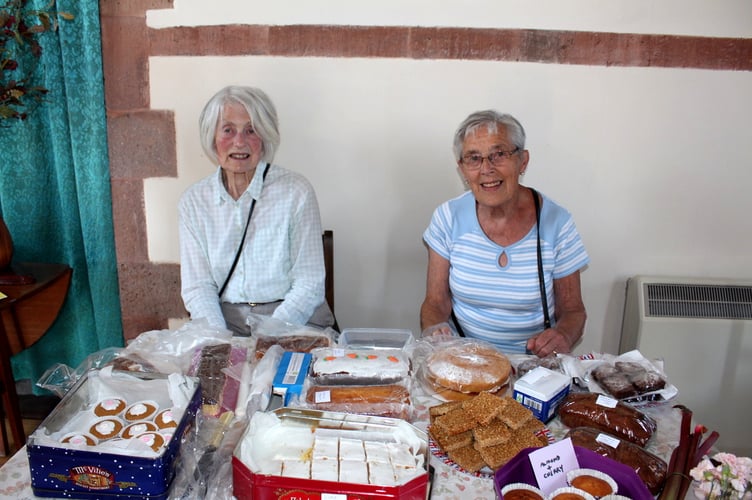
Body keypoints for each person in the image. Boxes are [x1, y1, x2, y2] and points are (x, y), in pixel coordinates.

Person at [420, 110, 589, 356]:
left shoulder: (556, 223)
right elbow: (435, 303)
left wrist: (562, 336)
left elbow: (573, 311)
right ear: (463, 169)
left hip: (533, 366)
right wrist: (436, 332)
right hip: (465, 359)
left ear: (523, 161)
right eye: (474, 159)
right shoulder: (447, 218)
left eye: (499, 155)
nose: (486, 169)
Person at [179, 85, 334, 335]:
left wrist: (265, 337)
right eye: (228, 130)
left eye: (251, 130)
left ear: (265, 138)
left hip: (295, 321)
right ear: (212, 138)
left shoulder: (296, 192)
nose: (239, 142)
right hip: (224, 323)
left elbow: (309, 285)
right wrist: (222, 341)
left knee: (285, 374)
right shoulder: (194, 202)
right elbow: (198, 288)